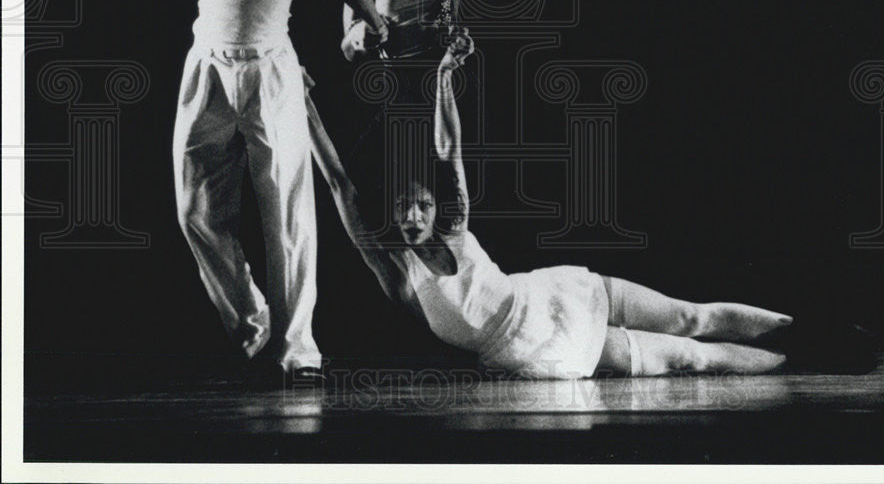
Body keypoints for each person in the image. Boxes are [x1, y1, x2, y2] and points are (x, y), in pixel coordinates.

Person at [310, 30, 805, 379]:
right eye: (403, 207)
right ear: (392, 215)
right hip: (533, 348)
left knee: (690, 317)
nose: (414, 215)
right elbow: (338, 183)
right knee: (689, 357)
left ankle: (808, 335)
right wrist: (303, 106)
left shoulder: (455, 225)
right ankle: (799, 362)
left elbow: (448, 151)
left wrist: (443, 78)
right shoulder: (399, 276)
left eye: (421, 203)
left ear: (435, 208)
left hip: (555, 292)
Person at [171, 0, 387, 382]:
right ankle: (253, 322)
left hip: (270, 71)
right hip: (207, 71)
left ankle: (298, 351)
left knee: (287, 214)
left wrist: (372, 19)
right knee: (196, 211)